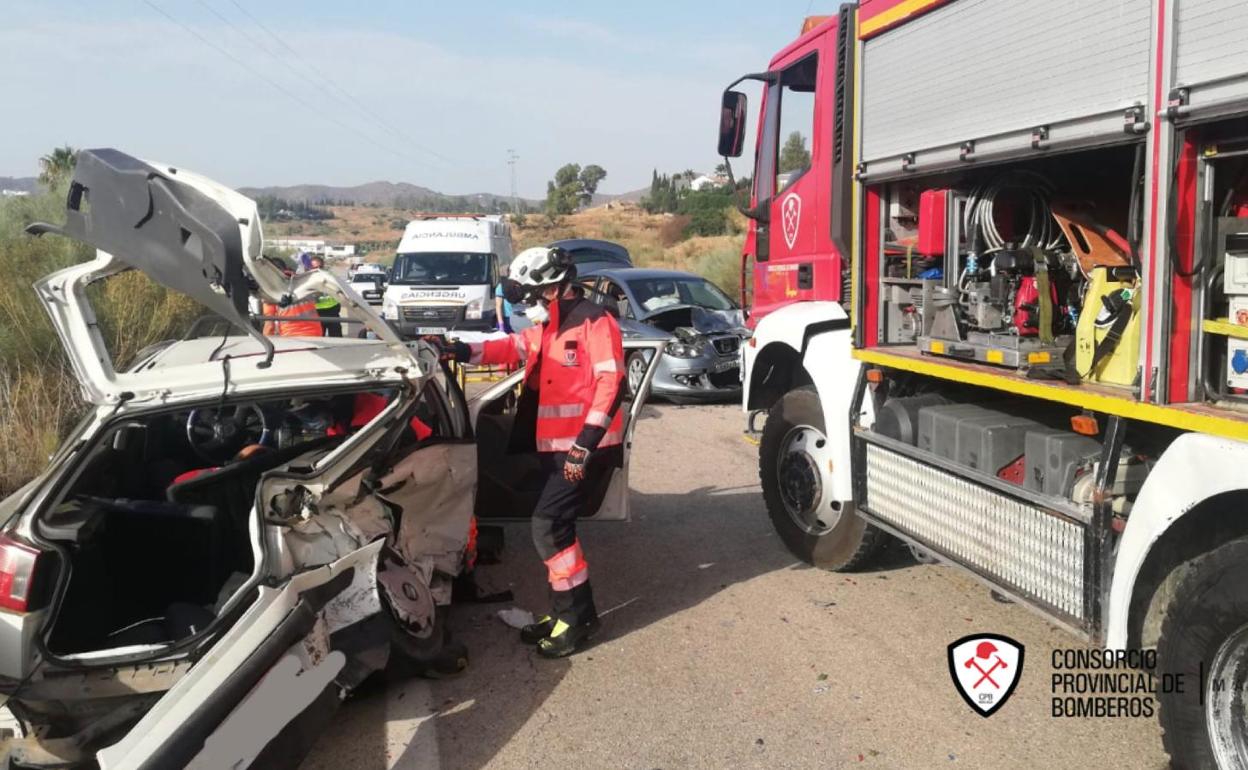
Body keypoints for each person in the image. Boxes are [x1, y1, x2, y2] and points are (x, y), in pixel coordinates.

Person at [445, 246, 625, 658]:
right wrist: (460, 350)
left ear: (555, 289)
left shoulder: (596, 324)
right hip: (555, 449)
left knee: (548, 527)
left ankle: (577, 620)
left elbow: (610, 386)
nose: (527, 305)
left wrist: (584, 446)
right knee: (555, 528)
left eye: (531, 296)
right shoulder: (551, 326)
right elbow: (511, 348)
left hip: (584, 449)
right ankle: (567, 612)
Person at [307, 255, 342, 337]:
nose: (317, 269)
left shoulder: (330, 276)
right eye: (314, 267)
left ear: (323, 266)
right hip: (316, 314)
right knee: (319, 339)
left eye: (320, 267)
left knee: (337, 340)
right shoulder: (307, 279)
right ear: (310, 268)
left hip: (333, 312)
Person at [494, 264, 514, 333]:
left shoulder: (513, 284)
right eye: (509, 270)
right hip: (506, 319)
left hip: (515, 317)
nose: (511, 272)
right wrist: (501, 324)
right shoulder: (500, 287)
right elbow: (498, 306)